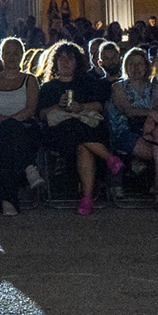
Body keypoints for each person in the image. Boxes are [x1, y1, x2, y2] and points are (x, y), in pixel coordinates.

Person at [37, 41, 119, 216]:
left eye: (70, 58)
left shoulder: (87, 83)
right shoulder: (48, 87)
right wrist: (58, 107)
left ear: (77, 62)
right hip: (60, 135)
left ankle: (87, 198)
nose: (65, 62)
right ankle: (109, 158)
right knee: (74, 127)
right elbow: (42, 114)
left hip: (83, 129)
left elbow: (99, 106)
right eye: (61, 58)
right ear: (55, 62)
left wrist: (81, 107)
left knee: (83, 146)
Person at [0, 36, 39, 216]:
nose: (11, 57)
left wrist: (7, 120)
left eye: (15, 53)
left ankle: (6, 200)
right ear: (2, 55)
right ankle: (28, 167)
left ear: (21, 55)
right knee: (7, 138)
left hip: (23, 129)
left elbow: (30, 109)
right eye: (7, 53)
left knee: (9, 138)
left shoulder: (30, 80)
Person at [110, 46, 158, 211]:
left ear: (146, 67)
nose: (136, 68)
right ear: (126, 66)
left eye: (140, 64)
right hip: (126, 131)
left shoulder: (155, 89)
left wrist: (151, 119)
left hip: (151, 131)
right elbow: (128, 110)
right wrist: (151, 114)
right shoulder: (118, 87)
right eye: (131, 64)